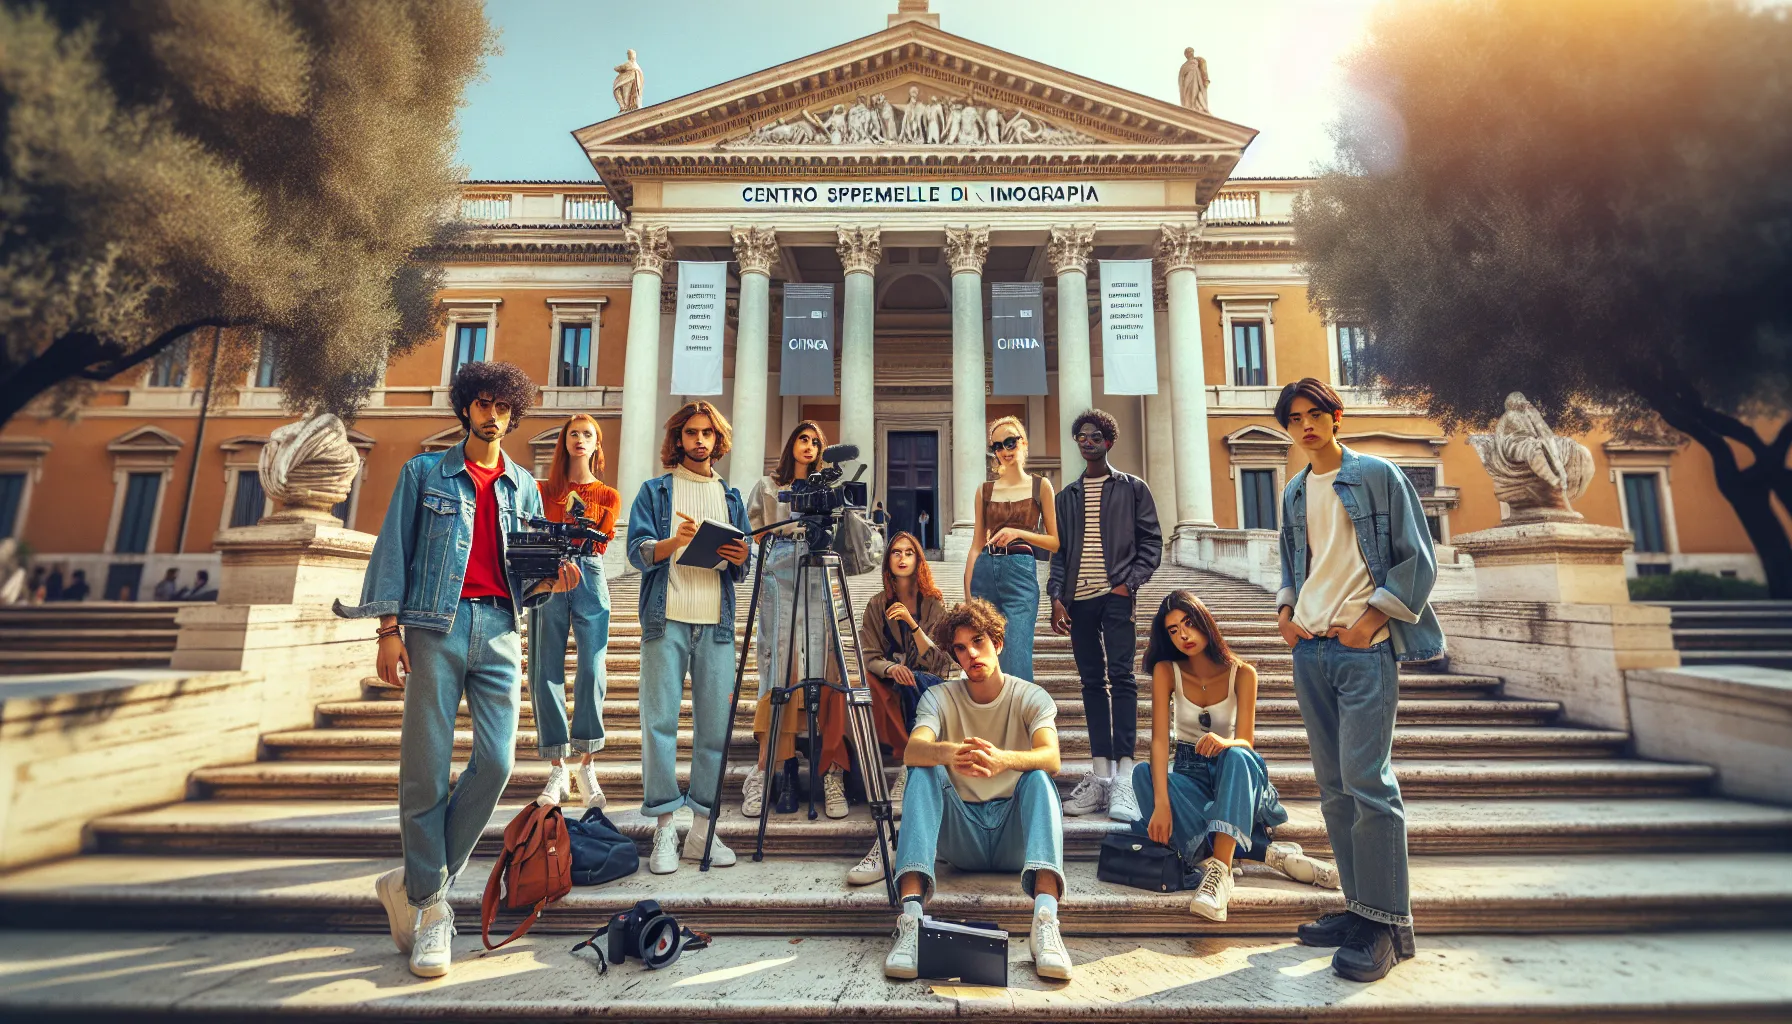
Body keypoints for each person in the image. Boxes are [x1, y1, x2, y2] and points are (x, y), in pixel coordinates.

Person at [338, 360, 578, 979]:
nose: (492, 413)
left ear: (513, 413)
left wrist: (552, 578)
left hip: (500, 627)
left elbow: (527, 571)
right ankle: (432, 908)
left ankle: (421, 879)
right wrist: (388, 630)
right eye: (482, 403)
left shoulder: (523, 485)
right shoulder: (424, 472)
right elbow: (395, 550)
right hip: (432, 625)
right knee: (425, 769)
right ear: (466, 408)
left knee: (497, 763)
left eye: (503, 405)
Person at [1274, 377, 1443, 982]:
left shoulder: (1377, 475)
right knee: (1334, 789)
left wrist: (1371, 620)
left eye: (1314, 414)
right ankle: (1358, 907)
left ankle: (1388, 927)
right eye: (1294, 419)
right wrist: (1286, 614)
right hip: (1312, 650)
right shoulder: (1294, 491)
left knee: (1369, 784)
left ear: (1336, 416)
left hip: (1361, 648)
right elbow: (1295, 562)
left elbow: (1417, 558)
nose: (1305, 426)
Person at [883, 598, 1071, 982]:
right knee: (923, 770)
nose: (971, 653)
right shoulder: (939, 697)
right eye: (961, 648)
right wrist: (950, 753)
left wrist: (1004, 760)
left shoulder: (1030, 697)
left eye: (979, 641)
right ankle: (912, 919)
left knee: (1038, 777)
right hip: (961, 835)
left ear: (998, 643)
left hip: (1012, 838)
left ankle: (1046, 920)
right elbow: (912, 749)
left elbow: (1051, 757)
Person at [1132, 591, 1340, 922]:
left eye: (1188, 623)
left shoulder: (1242, 673)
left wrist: (1225, 743)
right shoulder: (1165, 670)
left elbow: (1246, 743)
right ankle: (1269, 856)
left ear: (1204, 622)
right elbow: (1159, 742)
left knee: (1238, 758)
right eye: (1172, 630)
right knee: (1143, 775)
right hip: (1188, 774)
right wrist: (1161, 803)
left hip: (1234, 775)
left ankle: (1220, 873)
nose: (1183, 635)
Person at [626, 401, 751, 875]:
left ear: (718, 442)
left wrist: (741, 554)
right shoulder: (655, 492)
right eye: (692, 433)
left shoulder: (732, 496)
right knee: (658, 725)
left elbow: (741, 567)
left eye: (708, 434)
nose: (700, 440)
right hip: (666, 620)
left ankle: (702, 831)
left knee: (714, 732)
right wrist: (673, 543)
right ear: (678, 439)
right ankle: (663, 830)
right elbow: (638, 553)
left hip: (716, 624)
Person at [1048, 408, 1161, 823]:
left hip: (1116, 596)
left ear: (1109, 441)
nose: (1087, 441)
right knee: (1091, 683)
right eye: (1081, 435)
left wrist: (1127, 585)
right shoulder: (1066, 497)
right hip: (1078, 602)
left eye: (1094, 435)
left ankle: (1126, 779)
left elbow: (1152, 542)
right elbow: (1057, 555)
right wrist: (1056, 597)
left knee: (1123, 679)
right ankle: (1100, 776)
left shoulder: (1132, 489)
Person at [842, 531, 953, 886]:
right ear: (887, 561)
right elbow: (869, 657)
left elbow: (941, 661)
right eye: (896, 553)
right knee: (851, 681)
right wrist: (890, 668)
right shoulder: (876, 605)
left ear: (920, 561)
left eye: (910, 553)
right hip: (894, 691)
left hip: (928, 690)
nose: (903, 558)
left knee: (926, 695)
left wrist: (911, 622)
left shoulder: (934, 604)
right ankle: (888, 830)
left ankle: (890, 834)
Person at [742, 422, 832, 818]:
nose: (809, 446)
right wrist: (775, 541)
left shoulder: (824, 488)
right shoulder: (766, 484)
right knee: (777, 662)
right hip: (779, 565)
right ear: (791, 443)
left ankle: (799, 767)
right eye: (803, 438)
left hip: (815, 567)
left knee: (811, 661)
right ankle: (781, 769)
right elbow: (750, 529)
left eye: (815, 442)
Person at [532, 414, 621, 809]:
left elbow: (600, 545)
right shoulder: (541, 490)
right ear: (564, 441)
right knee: (544, 667)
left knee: (592, 667)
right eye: (574, 434)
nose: (580, 439)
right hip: (548, 571)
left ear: (596, 444)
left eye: (588, 434)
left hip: (589, 571)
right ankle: (557, 766)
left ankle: (586, 762)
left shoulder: (608, 495)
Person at [963, 416, 1058, 679]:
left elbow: (1055, 542)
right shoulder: (984, 490)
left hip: (1020, 572)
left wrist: (1019, 532)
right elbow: (975, 546)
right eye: (997, 446)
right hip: (984, 570)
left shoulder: (1041, 486)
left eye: (1009, 442)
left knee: (1017, 657)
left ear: (1023, 442)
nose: (1004, 450)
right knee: (985, 658)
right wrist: (968, 593)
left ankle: (1020, 719)